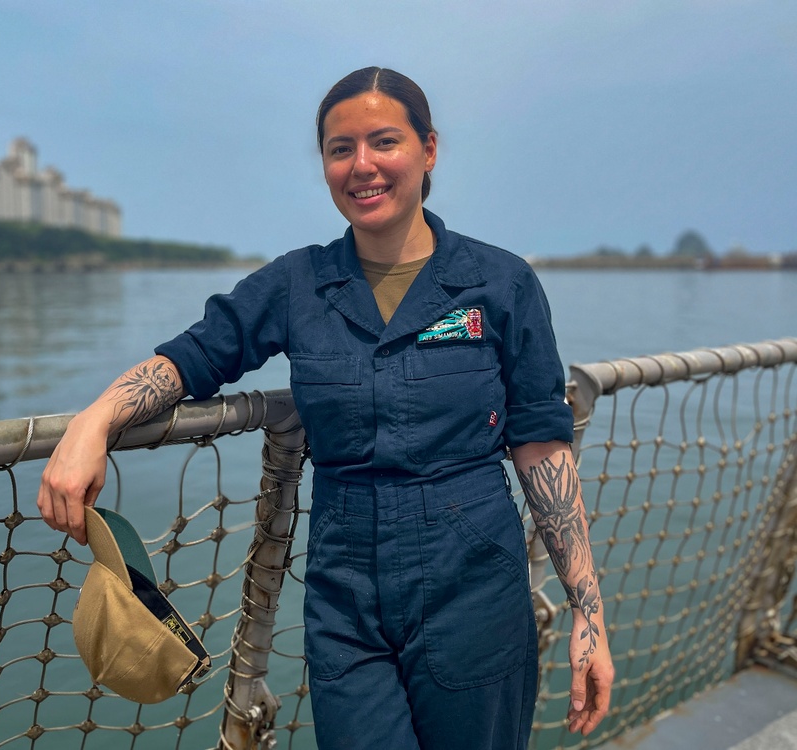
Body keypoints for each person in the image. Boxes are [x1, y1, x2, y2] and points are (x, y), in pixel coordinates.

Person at [38, 66, 614, 749]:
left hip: (476, 581)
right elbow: (192, 358)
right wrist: (93, 421)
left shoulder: (501, 282)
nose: (362, 165)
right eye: (341, 149)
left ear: (428, 150)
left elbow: (541, 446)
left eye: (384, 142)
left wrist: (589, 612)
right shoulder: (297, 283)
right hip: (346, 589)